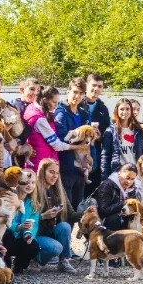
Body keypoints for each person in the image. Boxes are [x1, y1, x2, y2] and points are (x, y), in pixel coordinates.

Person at [52, 78, 90, 210]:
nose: (77, 96)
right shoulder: (60, 112)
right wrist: (78, 140)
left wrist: (92, 163)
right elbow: (61, 138)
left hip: (81, 169)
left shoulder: (85, 114)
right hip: (66, 167)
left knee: (78, 207)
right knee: (65, 209)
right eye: (74, 92)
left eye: (81, 93)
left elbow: (90, 142)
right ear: (68, 92)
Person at [31, 158, 74, 270]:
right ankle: (34, 259)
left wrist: (86, 213)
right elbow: (26, 219)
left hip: (49, 230)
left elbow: (71, 214)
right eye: (51, 172)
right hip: (35, 233)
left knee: (65, 226)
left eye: (57, 173)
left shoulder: (58, 189)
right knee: (56, 247)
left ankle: (64, 261)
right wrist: (43, 216)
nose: (55, 176)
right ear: (42, 171)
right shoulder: (33, 188)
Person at [2, 169, 42, 273]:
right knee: (7, 236)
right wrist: (18, 227)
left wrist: (28, 234)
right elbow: (4, 220)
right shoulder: (9, 198)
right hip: (7, 236)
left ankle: (19, 266)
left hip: (21, 238)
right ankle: (5, 264)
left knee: (33, 245)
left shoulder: (34, 204)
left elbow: (34, 223)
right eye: (27, 182)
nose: (30, 185)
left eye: (33, 183)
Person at [24, 86, 72, 170]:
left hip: (39, 162)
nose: (56, 106)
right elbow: (57, 145)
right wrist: (79, 147)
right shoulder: (39, 119)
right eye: (54, 102)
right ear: (45, 100)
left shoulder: (32, 107)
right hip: (41, 165)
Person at [99, 97, 143, 178]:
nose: (125, 112)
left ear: (131, 111)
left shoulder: (138, 130)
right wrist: (104, 177)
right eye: (121, 109)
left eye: (128, 109)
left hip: (136, 173)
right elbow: (105, 156)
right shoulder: (111, 131)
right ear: (117, 111)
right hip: (118, 173)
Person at [79, 73, 111, 193]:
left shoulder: (103, 108)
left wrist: (99, 136)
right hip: (75, 153)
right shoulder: (77, 103)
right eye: (93, 85)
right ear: (86, 85)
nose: (96, 89)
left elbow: (106, 134)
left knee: (90, 192)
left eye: (100, 86)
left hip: (94, 156)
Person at [95, 163, 138, 231]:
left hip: (122, 217)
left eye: (132, 179)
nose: (129, 181)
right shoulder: (107, 185)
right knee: (115, 218)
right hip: (102, 221)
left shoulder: (132, 188)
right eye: (127, 178)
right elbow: (103, 210)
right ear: (119, 173)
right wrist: (123, 203)